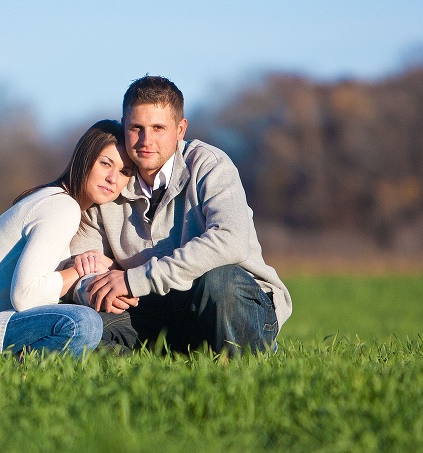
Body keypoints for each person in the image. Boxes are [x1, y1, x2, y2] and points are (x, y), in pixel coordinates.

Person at [70, 76, 292, 357]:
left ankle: (246, 370)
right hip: (154, 310)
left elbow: (230, 240)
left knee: (219, 281)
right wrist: (91, 287)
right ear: (124, 126)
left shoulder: (210, 166)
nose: (146, 140)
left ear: (180, 129)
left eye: (158, 128)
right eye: (136, 128)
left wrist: (134, 279)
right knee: (85, 325)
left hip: (228, 304)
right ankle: (151, 384)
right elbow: (80, 262)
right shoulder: (108, 182)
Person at [0, 119, 134, 365]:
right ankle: (16, 377)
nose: (113, 178)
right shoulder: (61, 206)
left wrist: (100, 268)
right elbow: (26, 296)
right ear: (84, 158)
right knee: (83, 323)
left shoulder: (60, 204)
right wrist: (79, 270)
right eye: (105, 164)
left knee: (102, 332)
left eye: (124, 172)